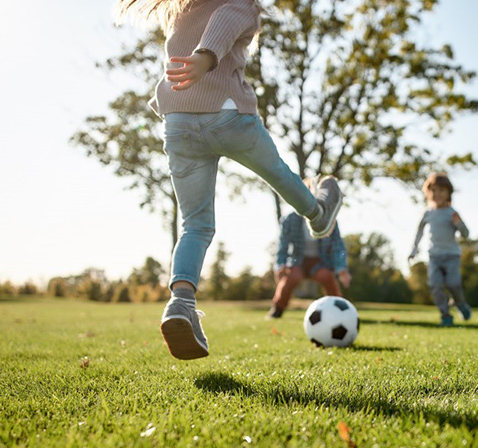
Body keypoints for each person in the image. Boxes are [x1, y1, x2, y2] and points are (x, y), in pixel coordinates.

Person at [116, 0, 343, 360]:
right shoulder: (241, 4)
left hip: (178, 124)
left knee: (195, 225)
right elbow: (223, 20)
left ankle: (181, 303)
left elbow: (202, 36)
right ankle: (318, 213)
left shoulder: (181, 12)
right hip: (228, 114)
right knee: (280, 175)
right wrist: (206, 56)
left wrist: (193, 70)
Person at [268, 180, 352, 319]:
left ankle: (340, 310)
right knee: (291, 277)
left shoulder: (329, 220)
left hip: (320, 261)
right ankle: (277, 308)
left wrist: (341, 268)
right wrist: (280, 265)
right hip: (297, 260)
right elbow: (282, 246)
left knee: (327, 276)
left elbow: (338, 247)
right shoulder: (290, 220)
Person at [409, 173, 471, 326]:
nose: (437, 194)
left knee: (453, 284)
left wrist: (458, 223)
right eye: (434, 190)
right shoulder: (427, 213)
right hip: (434, 257)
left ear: (448, 193)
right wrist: (414, 250)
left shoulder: (452, 213)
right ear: (428, 192)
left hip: (451, 255)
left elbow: (466, 234)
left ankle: (460, 303)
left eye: (442, 191)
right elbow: (419, 232)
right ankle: (445, 315)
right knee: (435, 286)